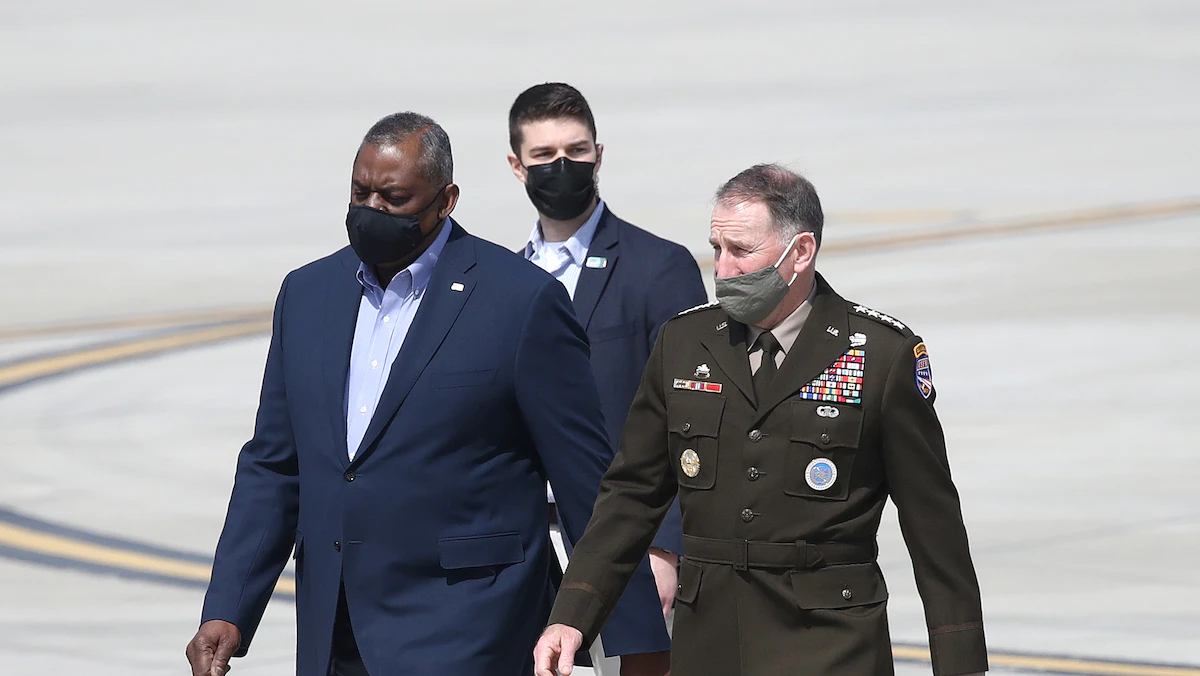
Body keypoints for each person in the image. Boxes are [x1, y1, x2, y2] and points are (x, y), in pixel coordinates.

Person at [184, 112, 669, 676]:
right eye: (360, 193)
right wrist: (229, 608)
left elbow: (586, 478)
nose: (372, 209)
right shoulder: (307, 294)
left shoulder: (519, 301)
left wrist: (637, 641)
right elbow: (274, 465)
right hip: (335, 632)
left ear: (446, 201)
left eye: (394, 198)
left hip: (470, 631)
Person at [534, 164, 988, 676]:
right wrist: (572, 615)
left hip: (831, 646)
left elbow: (934, 528)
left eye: (741, 250)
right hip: (710, 644)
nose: (722, 269)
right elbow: (631, 496)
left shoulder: (880, 356)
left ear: (801, 252)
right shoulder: (684, 343)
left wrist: (960, 664)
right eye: (717, 248)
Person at [508, 82, 708, 630]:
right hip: (521, 546)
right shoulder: (503, 278)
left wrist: (666, 546)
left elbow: (694, 415)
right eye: (544, 154)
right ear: (517, 166)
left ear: (598, 154)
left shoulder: (658, 268)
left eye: (576, 150)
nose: (562, 165)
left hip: (624, 543)